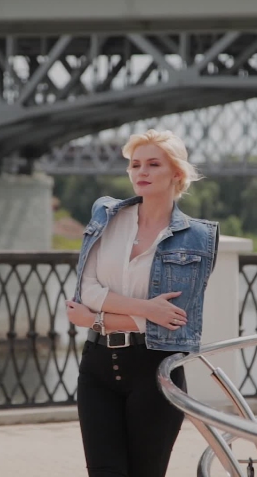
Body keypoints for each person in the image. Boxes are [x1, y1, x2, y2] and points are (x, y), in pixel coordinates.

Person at [65, 129, 219, 477]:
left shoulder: (197, 238)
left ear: (176, 173)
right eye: (135, 165)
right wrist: (147, 308)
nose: (141, 172)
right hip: (97, 368)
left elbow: (177, 322)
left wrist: (97, 321)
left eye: (153, 164)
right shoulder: (107, 217)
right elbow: (86, 291)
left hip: (155, 371)